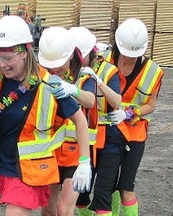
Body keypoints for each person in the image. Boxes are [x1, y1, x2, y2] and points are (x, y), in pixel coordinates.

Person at [0, 15, 91, 216]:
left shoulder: (48, 85)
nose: (2, 64)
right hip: (3, 165)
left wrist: (84, 162)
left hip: (31, 171)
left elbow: (80, 120)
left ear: (24, 52)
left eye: (7, 58)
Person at [90, 18, 164, 216]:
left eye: (134, 55)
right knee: (108, 185)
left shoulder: (152, 71)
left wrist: (130, 112)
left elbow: (150, 105)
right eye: (125, 54)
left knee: (126, 187)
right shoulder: (101, 59)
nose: (129, 59)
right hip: (105, 132)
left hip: (134, 134)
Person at [38, 26, 96, 216]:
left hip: (76, 153)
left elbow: (90, 100)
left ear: (71, 55)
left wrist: (73, 90)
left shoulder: (84, 75)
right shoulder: (44, 74)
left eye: (60, 63)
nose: (55, 68)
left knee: (64, 209)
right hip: (51, 151)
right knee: (47, 208)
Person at [68, 27, 123, 216]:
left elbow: (117, 102)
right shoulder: (67, 71)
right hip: (83, 142)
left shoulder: (109, 70)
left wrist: (98, 80)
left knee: (102, 195)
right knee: (81, 194)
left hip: (110, 142)